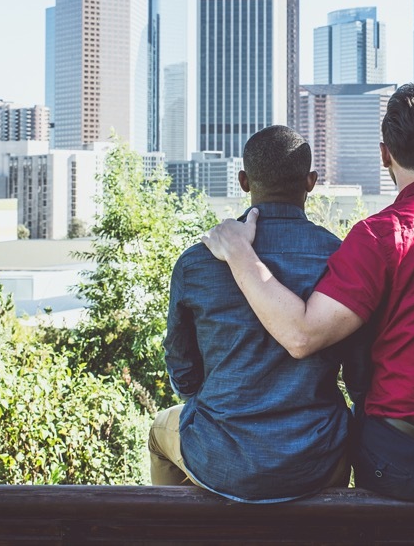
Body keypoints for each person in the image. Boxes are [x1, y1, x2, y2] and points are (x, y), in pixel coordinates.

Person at [201, 83, 414, 501]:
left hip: (405, 465)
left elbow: (301, 335)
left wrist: (240, 253)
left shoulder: (381, 237)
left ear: (386, 154)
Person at [148, 125, 353, 502]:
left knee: (159, 431)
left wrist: (213, 403)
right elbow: (358, 367)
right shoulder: (342, 259)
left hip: (220, 457)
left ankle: (169, 526)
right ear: (311, 182)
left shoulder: (198, 262)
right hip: (316, 460)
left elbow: (181, 365)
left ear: (244, 180)